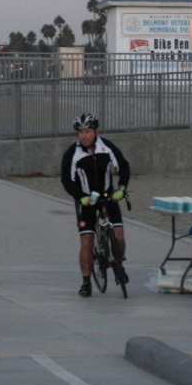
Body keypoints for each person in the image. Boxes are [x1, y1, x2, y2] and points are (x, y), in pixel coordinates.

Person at [60, 113, 130, 297]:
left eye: (88, 131)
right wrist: (79, 197)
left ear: (95, 132)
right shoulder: (72, 154)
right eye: (81, 132)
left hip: (108, 198)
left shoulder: (106, 147)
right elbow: (66, 180)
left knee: (119, 236)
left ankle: (119, 263)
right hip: (87, 201)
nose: (84, 136)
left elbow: (123, 166)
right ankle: (86, 282)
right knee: (87, 241)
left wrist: (121, 189)